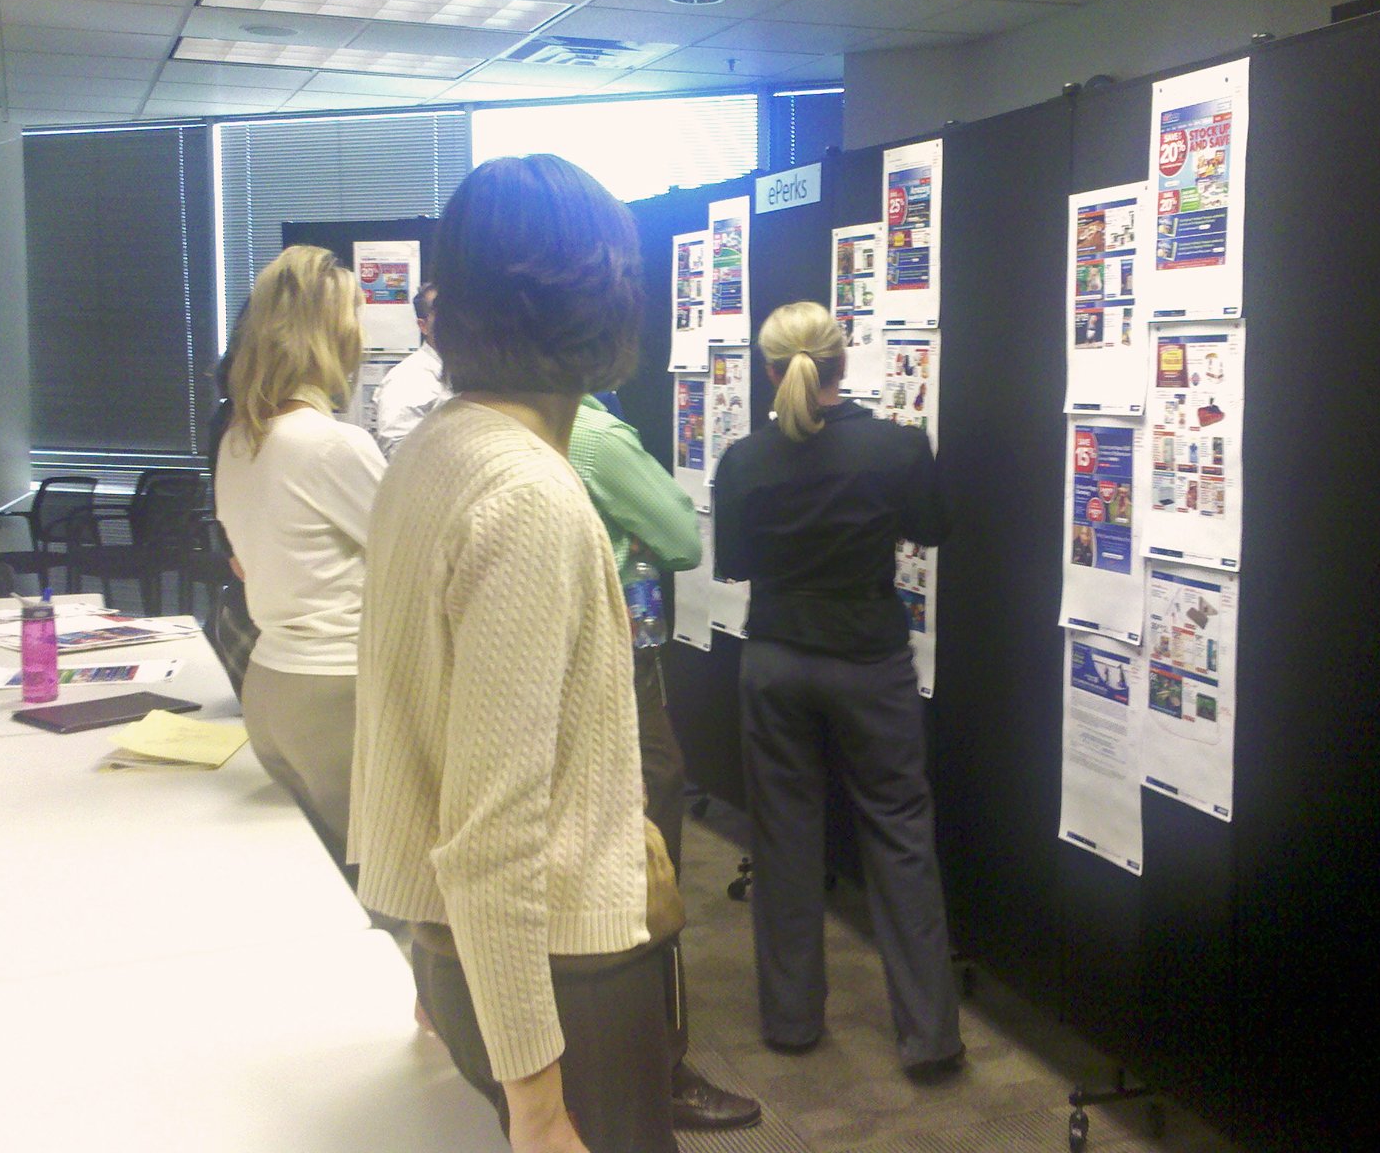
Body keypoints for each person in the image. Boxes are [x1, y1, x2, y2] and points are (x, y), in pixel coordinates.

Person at [352, 155, 675, 1153]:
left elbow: (411, 727)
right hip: (555, 981)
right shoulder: (528, 496)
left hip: (480, 962)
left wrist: (431, 963)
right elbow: (495, 832)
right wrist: (538, 1106)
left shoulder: (435, 449)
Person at [713, 300, 963, 1081]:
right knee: (899, 833)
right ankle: (930, 1036)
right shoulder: (895, 448)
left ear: (767, 368)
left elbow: (737, 564)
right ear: (843, 361)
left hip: (778, 660)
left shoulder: (744, 459)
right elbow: (934, 528)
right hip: (869, 663)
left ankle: (791, 1022)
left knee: (784, 839)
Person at [567, 394, 763, 1132]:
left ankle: (610, 1058)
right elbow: (681, 534)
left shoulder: (474, 420)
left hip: (555, 671)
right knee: (650, 853)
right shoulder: (593, 432)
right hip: (615, 667)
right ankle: (660, 1069)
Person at [214, 246, 384, 863]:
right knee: (391, 900)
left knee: (326, 883)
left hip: (272, 687)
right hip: (339, 691)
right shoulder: (332, 445)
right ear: (335, 334)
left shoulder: (239, 444)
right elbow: (420, 562)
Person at [372, 280, 450, 457]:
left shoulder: (463, 372)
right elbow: (396, 453)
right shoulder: (408, 378)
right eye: (441, 313)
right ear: (423, 326)